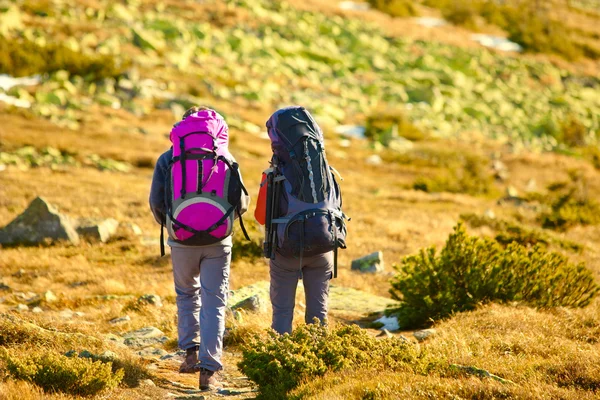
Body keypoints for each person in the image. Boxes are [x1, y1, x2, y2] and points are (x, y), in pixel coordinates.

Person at [149, 106, 250, 390]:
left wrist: (173, 226)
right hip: (219, 241)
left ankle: (190, 355)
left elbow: (157, 203)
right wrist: (221, 223)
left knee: (186, 294)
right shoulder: (225, 156)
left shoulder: (168, 158)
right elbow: (241, 204)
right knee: (215, 301)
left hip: (180, 239)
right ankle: (209, 371)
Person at [254, 106, 347, 335]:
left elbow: (261, 217)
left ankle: (279, 361)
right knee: (319, 314)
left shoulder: (273, 176)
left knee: (283, 312)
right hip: (323, 248)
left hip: (286, 251)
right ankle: (317, 361)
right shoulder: (328, 172)